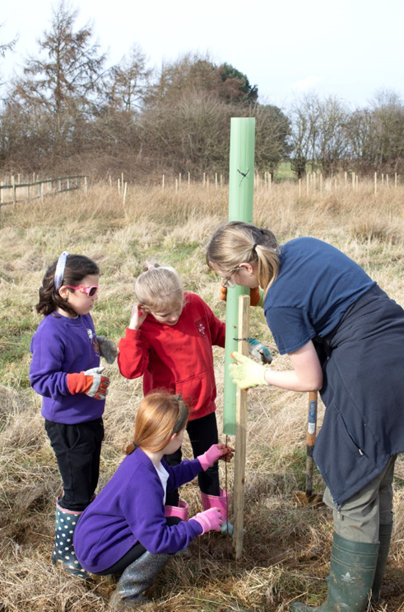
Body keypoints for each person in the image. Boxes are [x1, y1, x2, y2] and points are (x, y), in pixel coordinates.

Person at [206, 221, 404, 612]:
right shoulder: (305, 245)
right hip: (398, 350)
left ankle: (344, 608)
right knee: (377, 478)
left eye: (228, 278)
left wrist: (259, 375)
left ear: (244, 271)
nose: (231, 288)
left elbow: (309, 377)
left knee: (353, 490)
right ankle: (369, 597)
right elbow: (321, 299)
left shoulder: (281, 302)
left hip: (368, 378)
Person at [117, 262, 270, 533]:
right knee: (167, 470)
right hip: (168, 415)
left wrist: (248, 343)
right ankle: (170, 523)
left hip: (201, 406)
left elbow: (218, 331)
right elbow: (130, 370)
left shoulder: (195, 305)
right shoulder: (144, 329)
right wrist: (133, 329)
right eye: (165, 314)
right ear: (145, 310)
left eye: (178, 309)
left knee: (209, 462)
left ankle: (217, 519)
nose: (174, 317)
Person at [74, 392, 233, 608]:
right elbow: (158, 541)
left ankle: (121, 569)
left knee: (171, 526)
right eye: (183, 433)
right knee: (172, 532)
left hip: (98, 539)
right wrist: (199, 524)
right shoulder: (143, 481)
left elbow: (170, 478)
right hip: (98, 552)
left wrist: (204, 460)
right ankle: (126, 596)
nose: (183, 437)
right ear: (171, 437)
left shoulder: (146, 457)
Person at [30, 252, 117, 579]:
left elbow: (83, 347)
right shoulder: (50, 331)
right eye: (90, 291)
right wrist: (82, 382)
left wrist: (100, 346)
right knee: (77, 490)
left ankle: (83, 538)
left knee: (87, 482)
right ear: (65, 292)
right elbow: (41, 379)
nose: (96, 296)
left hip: (89, 418)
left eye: (97, 289)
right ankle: (65, 552)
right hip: (67, 425)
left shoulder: (83, 319)